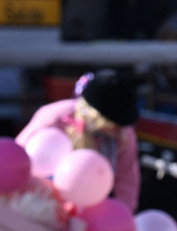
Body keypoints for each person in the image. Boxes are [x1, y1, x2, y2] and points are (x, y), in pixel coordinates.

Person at [15, 68, 141, 211]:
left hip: (89, 210)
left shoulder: (124, 135)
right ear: (99, 118)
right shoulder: (55, 118)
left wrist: (124, 217)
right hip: (37, 201)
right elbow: (18, 157)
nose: (121, 130)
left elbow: (127, 182)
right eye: (116, 125)